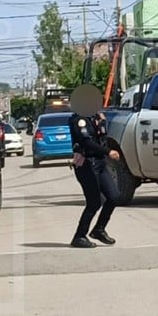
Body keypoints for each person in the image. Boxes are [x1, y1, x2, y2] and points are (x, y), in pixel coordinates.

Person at [67, 84, 121, 248]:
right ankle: (79, 236)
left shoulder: (94, 118)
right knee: (94, 202)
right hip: (86, 164)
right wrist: (108, 151)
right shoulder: (79, 120)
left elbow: (102, 136)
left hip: (99, 163)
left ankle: (99, 229)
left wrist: (102, 123)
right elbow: (87, 143)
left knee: (113, 196)